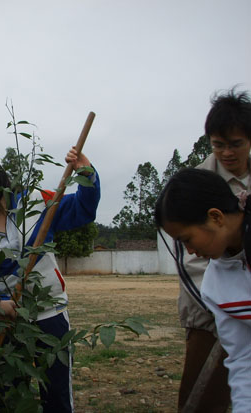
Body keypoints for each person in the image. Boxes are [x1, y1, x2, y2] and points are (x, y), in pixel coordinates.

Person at [0, 148, 100, 412]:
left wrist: (86, 173)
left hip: (49, 313)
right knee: (9, 395)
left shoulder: (36, 203)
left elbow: (82, 208)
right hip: (7, 322)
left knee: (56, 393)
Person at [176, 88, 251, 411]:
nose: (227, 153)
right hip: (210, 310)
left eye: (235, 144)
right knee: (204, 395)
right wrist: (221, 305)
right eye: (218, 145)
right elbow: (190, 260)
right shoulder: (200, 184)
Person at [155, 168, 251, 413]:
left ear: (216, 217)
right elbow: (242, 359)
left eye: (187, 239)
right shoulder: (215, 285)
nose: (188, 251)